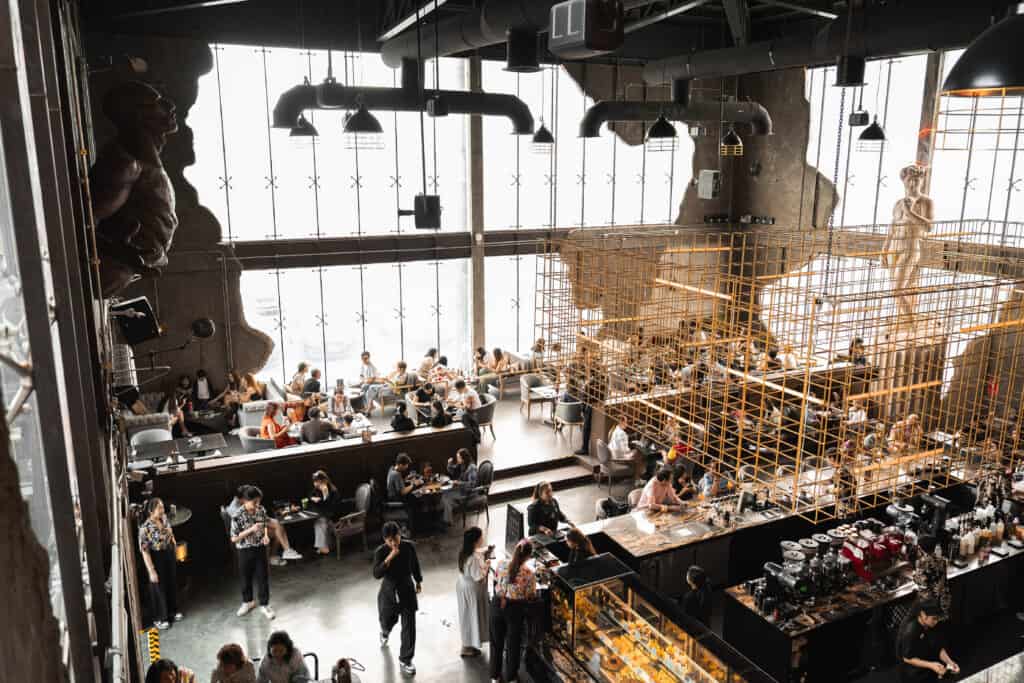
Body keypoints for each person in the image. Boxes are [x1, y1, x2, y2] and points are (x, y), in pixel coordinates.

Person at [373, 521, 423, 676]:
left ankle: (406, 659)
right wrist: (389, 557)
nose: (393, 542)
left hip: (406, 587)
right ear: (384, 540)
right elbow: (376, 574)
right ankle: (385, 632)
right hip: (389, 590)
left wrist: (418, 581)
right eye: (389, 540)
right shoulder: (380, 552)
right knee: (388, 620)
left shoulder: (408, 547)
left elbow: (415, 564)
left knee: (409, 625)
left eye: (395, 538)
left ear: (400, 535)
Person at [490, 539, 539, 683]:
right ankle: (511, 677)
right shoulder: (529, 573)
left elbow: (496, 580)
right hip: (515, 609)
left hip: (497, 604)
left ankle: (495, 676)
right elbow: (531, 595)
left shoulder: (500, 564)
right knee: (513, 645)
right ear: (528, 557)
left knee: (496, 642)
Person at [229, 485, 276, 620]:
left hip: (260, 547)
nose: (257, 505)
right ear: (245, 500)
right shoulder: (237, 516)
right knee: (245, 578)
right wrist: (251, 530)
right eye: (254, 502)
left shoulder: (261, 510)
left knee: (263, 577)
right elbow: (234, 538)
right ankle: (248, 602)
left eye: (259, 501)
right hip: (244, 550)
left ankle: (264, 604)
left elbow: (265, 524)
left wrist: (266, 536)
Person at [226, 487, 302, 566]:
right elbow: (242, 526)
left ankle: (285, 551)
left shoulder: (245, 503)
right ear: (242, 498)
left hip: (255, 525)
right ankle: (277, 554)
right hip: (247, 533)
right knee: (277, 530)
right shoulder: (234, 509)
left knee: (278, 526)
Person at [138, 497, 181, 629]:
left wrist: (174, 545)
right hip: (156, 557)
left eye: (162, 507)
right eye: (159, 508)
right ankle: (160, 618)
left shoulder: (164, 519)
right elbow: (145, 551)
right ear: (151, 511)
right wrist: (151, 570)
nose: (163, 510)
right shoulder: (145, 528)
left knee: (171, 582)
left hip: (168, 553)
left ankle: (172, 611)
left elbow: (170, 533)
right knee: (158, 586)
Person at [898, 600, 959, 682]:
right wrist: (931, 665)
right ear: (923, 614)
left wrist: (950, 662)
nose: (936, 622)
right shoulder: (910, 631)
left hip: (927, 656)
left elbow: (938, 646)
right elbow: (907, 658)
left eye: (937, 618)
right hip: (913, 668)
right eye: (934, 619)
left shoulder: (931, 623)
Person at [456, 526, 491, 657]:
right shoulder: (474, 559)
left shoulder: (464, 553)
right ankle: (467, 647)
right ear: (476, 541)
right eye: (481, 537)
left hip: (463, 586)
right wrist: (487, 566)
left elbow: (478, 552)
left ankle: (468, 644)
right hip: (472, 590)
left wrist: (486, 550)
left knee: (466, 617)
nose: (483, 539)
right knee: (473, 617)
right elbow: (479, 576)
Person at [913, 535, 950, 617]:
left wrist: (914, 575)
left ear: (921, 549)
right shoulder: (942, 560)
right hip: (943, 597)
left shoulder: (921, 563)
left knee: (930, 621)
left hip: (929, 601)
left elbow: (921, 582)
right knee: (940, 618)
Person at [309, 470, 345, 556]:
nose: (316, 484)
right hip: (326, 516)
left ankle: (322, 547)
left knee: (320, 521)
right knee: (320, 520)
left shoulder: (333, 491)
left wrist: (325, 496)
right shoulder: (317, 490)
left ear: (325, 481)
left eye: (318, 481)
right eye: (315, 481)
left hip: (336, 518)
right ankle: (324, 546)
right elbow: (310, 494)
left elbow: (332, 509)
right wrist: (312, 498)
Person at [442, 448, 479, 526]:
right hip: (461, 489)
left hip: (468, 492)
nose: (457, 459)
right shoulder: (463, 464)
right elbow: (453, 471)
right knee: (445, 495)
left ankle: (448, 521)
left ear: (463, 458)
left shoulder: (472, 467)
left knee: (446, 497)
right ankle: (448, 520)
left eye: (458, 457)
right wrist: (449, 464)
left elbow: (472, 484)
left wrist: (458, 483)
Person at [608, 416, 645, 486]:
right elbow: (624, 450)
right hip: (619, 457)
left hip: (613, 455)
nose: (627, 424)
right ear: (621, 422)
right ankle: (637, 480)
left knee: (636, 453)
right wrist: (633, 450)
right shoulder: (622, 434)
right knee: (639, 454)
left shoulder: (614, 430)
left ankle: (636, 478)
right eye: (626, 422)